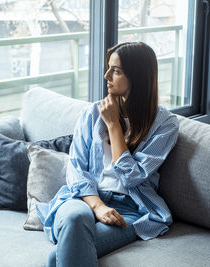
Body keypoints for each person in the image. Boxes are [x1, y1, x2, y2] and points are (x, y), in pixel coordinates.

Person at [35, 42, 179, 267]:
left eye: (116, 70)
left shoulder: (165, 124)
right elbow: (76, 168)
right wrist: (98, 206)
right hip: (83, 198)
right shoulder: (91, 113)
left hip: (131, 208)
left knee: (58, 257)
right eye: (108, 68)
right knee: (74, 218)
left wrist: (113, 125)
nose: (106, 75)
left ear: (138, 77)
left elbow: (133, 177)